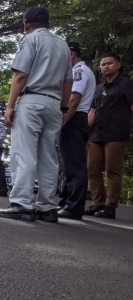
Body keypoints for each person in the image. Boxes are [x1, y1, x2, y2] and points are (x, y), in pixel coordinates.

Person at [0, 7, 72, 222]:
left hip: (32, 100)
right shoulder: (63, 45)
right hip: (55, 103)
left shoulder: (29, 40)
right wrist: (64, 108)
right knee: (48, 156)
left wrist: (9, 106)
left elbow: (21, 75)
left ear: (25, 24)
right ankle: (47, 207)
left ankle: (21, 203)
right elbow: (68, 81)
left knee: (24, 153)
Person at [85, 53, 133, 219]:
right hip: (96, 135)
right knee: (93, 169)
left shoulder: (126, 85)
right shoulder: (99, 88)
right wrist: (86, 131)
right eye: (103, 64)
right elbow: (92, 111)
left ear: (117, 65)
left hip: (116, 134)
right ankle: (98, 203)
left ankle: (110, 206)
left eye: (109, 63)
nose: (106, 66)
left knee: (113, 170)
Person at [57, 42, 96, 220]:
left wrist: (64, 120)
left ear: (71, 54)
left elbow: (74, 98)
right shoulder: (81, 70)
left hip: (75, 117)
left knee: (75, 165)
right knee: (69, 164)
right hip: (77, 118)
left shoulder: (78, 71)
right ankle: (67, 202)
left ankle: (74, 207)